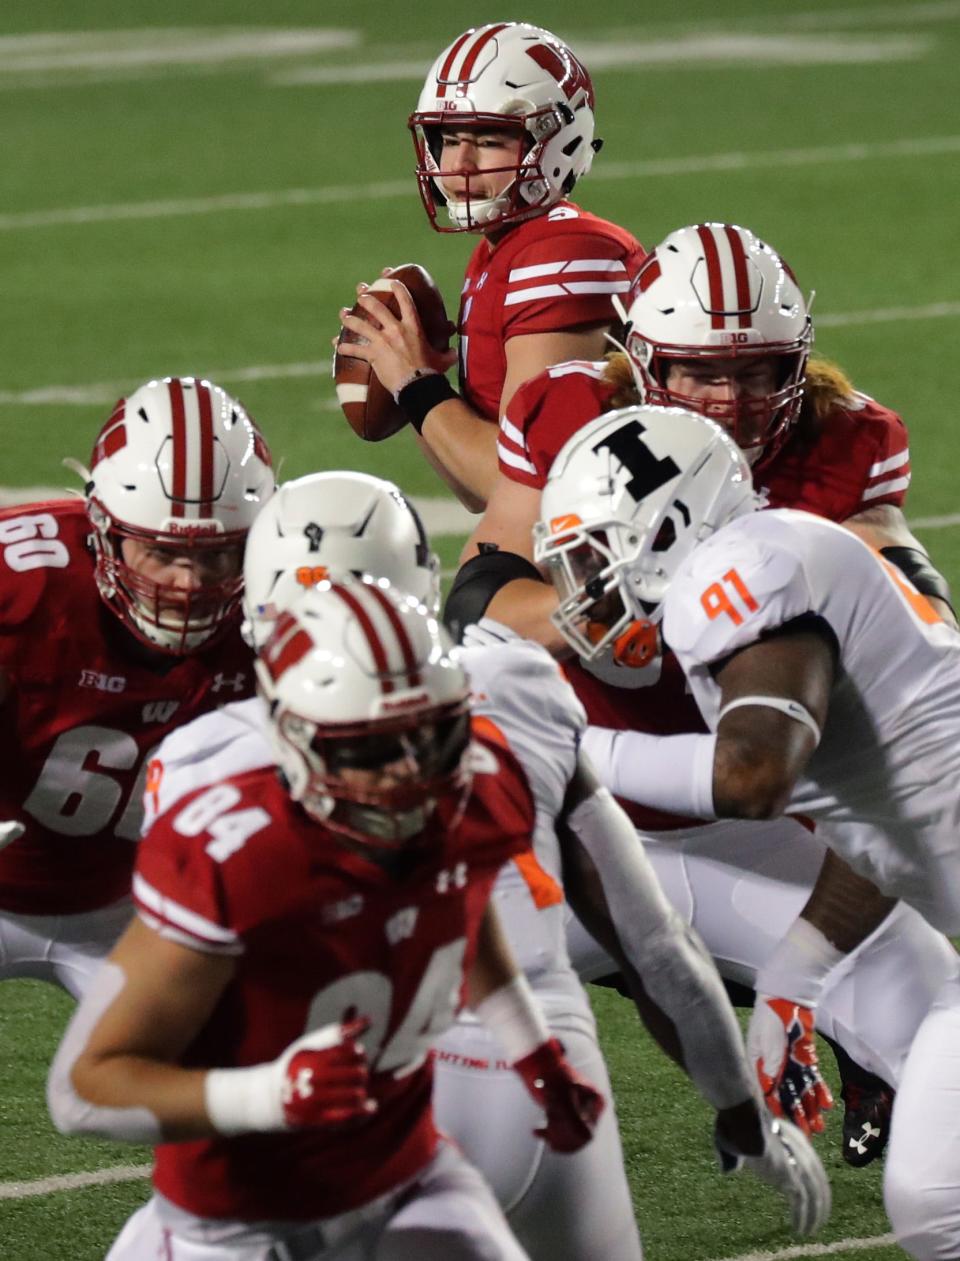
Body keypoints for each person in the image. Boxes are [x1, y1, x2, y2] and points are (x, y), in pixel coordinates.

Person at [140, 470, 829, 1255]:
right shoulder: (518, 685)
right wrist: (745, 1115)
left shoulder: (200, 756)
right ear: (417, 587)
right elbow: (657, 948)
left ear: (261, 612)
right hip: (539, 1077)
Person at [446, 222, 959, 1166]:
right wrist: (605, 609)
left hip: (746, 807)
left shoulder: (844, 439)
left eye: (760, 371)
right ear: (638, 361)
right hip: (566, 816)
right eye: (695, 371)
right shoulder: (567, 412)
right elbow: (480, 591)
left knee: (930, 1003)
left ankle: (874, 1077)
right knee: (420, 1045)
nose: (729, 400)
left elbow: (909, 598)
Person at [47, 579, 608, 1261]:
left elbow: (457, 894)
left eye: (425, 733)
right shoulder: (238, 856)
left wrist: (536, 1054)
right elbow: (82, 1087)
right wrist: (270, 1094)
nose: (408, 773)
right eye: (371, 749)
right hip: (231, 1225)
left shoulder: (480, 784)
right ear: (293, 739)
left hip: (409, 1179)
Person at [533, 403, 960, 1261]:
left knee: (936, 1200)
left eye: (594, 554)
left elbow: (752, 780)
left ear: (668, 528)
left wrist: (575, 744)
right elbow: (880, 825)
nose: (583, 587)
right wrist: (793, 979)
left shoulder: (734, 576)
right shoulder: (769, 558)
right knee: (935, 1200)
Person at [0, 376, 274, 998]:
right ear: (104, 532)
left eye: (216, 555)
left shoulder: (279, 606)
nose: (187, 581)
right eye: (163, 552)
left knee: (225, 1069)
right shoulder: (23, 585)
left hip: (140, 908)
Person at [336, 22, 646, 510]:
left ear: (557, 141)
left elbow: (522, 485)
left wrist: (415, 384)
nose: (458, 163)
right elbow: (475, 491)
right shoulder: (503, 250)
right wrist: (422, 382)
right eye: (449, 138)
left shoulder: (564, 251)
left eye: (489, 140)